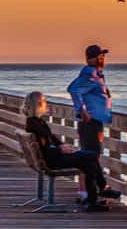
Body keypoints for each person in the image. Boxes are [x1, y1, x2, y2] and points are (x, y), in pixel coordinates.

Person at [23, 91, 119, 212]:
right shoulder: (35, 124)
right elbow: (45, 147)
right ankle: (102, 188)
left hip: (52, 156)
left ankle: (92, 200)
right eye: (44, 101)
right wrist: (60, 149)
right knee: (92, 155)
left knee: (89, 163)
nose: (46, 103)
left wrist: (62, 146)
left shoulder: (36, 121)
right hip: (54, 160)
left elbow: (51, 140)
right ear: (38, 104)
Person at [68, 44, 113, 201]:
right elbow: (73, 90)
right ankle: (92, 192)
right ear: (93, 58)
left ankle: (86, 192)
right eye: (101, 56)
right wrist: (82, 110)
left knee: (89, 155)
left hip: (95, 120)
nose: (103, 58)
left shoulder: (96, 74)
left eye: (103, 56)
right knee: (91, 156)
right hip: (91, 121)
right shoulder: (90, 74)